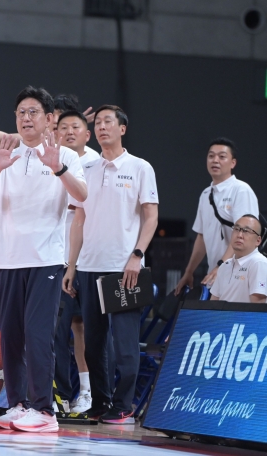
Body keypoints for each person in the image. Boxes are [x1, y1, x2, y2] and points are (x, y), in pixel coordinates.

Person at [0, 87, 87, 433]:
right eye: (21, 112)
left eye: (33, 112)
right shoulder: (6, 153)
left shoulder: (65, 155)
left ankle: (45, 411)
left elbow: (82, 196)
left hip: (45, 260)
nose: (26, 118)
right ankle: (18, 404)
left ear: (49, 118)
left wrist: (59, 168)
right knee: (10, 335)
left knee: (38, 334)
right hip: (8, 260)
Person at [63, 105, 159, 425]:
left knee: (125, 345)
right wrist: (72, 265)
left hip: (123, 269)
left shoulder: (140, 167)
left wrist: (137, 255)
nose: (102, 127)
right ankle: (101, 402)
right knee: (93, 345)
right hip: (89, 266)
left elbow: (151, 216)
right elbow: (79, 220)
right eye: (99, 122)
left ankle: (125, 405)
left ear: (122, 129)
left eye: (109, 122)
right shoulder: (86, 168)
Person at [53, 110, 99, 414]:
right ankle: (60, 396)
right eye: (63, 127)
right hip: (57, 257)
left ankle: (88, 392)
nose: (69, 132)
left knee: (85, 328)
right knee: (57, 329)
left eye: (75, 127)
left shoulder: (97, 164)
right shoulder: (51, 161)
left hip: (91, 259)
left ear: (87, 132)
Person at [176, 138, 259, 294]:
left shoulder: (241, 190)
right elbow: (202, 237)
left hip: (240, 273)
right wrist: (189, 271)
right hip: (216, 275)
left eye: (222, 156)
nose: (215, 160)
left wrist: (221, 265)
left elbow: (245, 234)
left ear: (233, 163)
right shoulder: (206, 194)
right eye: (211, 156)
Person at [210, 214, 267, 303]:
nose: (239, 235)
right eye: (236, 229)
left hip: (242, 317)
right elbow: (213, 304)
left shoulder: (259, 263)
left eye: (246, 231)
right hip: (222, 316)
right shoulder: (225, 266)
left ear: (258, 240)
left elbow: (257, 310)